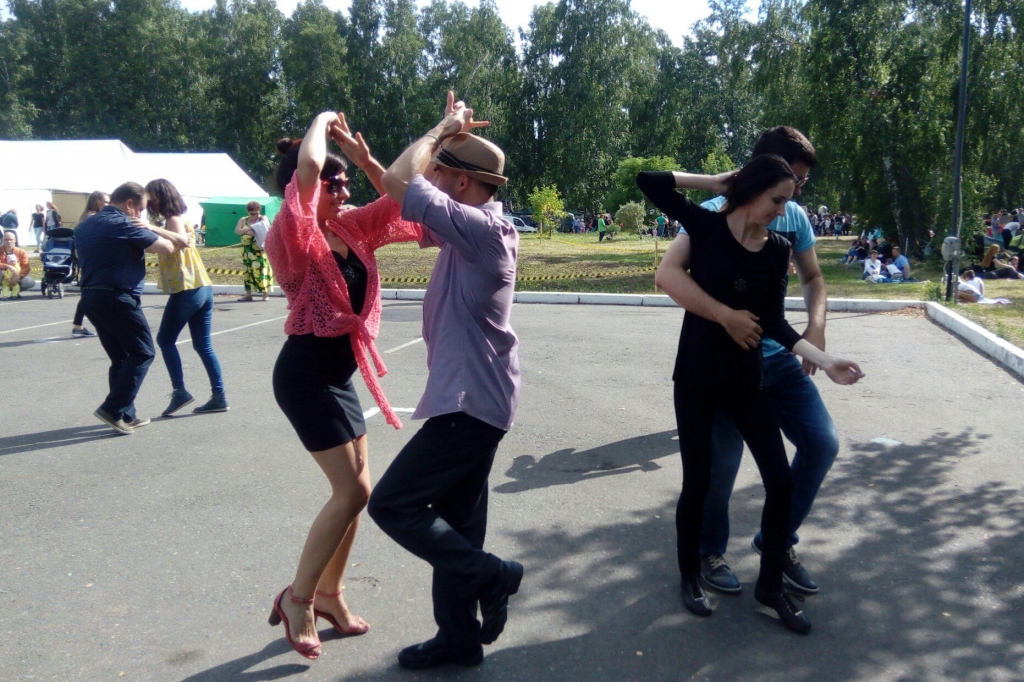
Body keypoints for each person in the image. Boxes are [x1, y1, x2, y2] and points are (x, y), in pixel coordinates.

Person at [640, 156, 863, 634]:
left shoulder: (777, 248)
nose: (782, 211)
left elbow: (775, 323)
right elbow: (649, 181)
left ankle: (769, 587)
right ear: (751, 190)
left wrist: (826, 361)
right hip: (697, 378)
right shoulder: (705, 227)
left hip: (746, 379)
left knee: (780, 483)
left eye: (788, 202)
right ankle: (689, 574)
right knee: (698, 482)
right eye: (776, 200)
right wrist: (716, 182)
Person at [368, 93, 523, 670]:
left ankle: (493, 575)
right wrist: (367, 162)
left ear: (460, 183)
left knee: (393, 504)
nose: (428, 176)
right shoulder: (472, 228)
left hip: (470, 404)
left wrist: (443, 127)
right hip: (477, 398)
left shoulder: (480, 229)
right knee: (457, 522)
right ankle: (458, 638)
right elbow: (396, 188)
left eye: (438, 171)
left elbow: (399, 181)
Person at [263, 112, 422, 661]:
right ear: (308, 188)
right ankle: (298, 598)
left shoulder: (352, 228)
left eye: (346, 183)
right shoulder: (293, 234)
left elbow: (402, 193)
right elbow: (308, 167)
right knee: (350, 492)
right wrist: (322, 120)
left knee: (360, 493)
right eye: (336, 184)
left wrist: (439, 132)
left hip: (338, 375)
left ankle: (331, 593)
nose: (345, 191)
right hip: (305, 376)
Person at [76, 182, 187, 435]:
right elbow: (168, 248)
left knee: (121, 358)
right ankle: (112, 409)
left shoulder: (85, 224)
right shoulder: (125, 223)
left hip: (90, 297)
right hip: (118, 297)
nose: (141, 215)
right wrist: (151, 227)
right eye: (141, 210)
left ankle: (126, 415)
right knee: (143, 352)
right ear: (129, 204)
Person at [146, 179, 228, 417]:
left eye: (152, 198)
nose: (150, 203)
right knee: (203, 345)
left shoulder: (173, 219)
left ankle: (180, 391)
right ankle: (219, 396)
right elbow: (163, 246)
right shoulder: (173, 220)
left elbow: (180, 241)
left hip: (188, 289)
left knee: (165, 340)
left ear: (162, 197)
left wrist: (152, 228)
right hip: (202, 287)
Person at [71, 191, 111, 338]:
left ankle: (78, 325)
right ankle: (79, 326)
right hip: (92, 261)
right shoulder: (93, 217)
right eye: (106, 202)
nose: (108, 205)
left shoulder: (88, 216)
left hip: (88, 260)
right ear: (96, 202)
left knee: (88, 294)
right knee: (91, 294)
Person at [235, 201, 273, 301]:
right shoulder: (243, 219)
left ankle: (265, 294)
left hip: (259, 251)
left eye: (256, 213)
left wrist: (254, 230)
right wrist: (246, 230)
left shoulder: (262, 218)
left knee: (261, 271)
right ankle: (248, 294)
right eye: (252, 214)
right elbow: (237, 230)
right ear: (248, 212)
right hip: (247, 252)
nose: (254, 216)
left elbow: (266, 228)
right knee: (247, 272)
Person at [1, 231, 31, 299]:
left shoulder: (21, 252)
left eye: (11, 239)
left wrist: (18, 277)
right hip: (3, 276)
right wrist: (8, 266)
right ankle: (4, 293)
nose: (9, 241)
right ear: (2, 240)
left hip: (16, 275)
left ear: (15, 240)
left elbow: (26, 267)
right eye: (6, 239)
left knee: (29, 282)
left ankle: (15, 292)